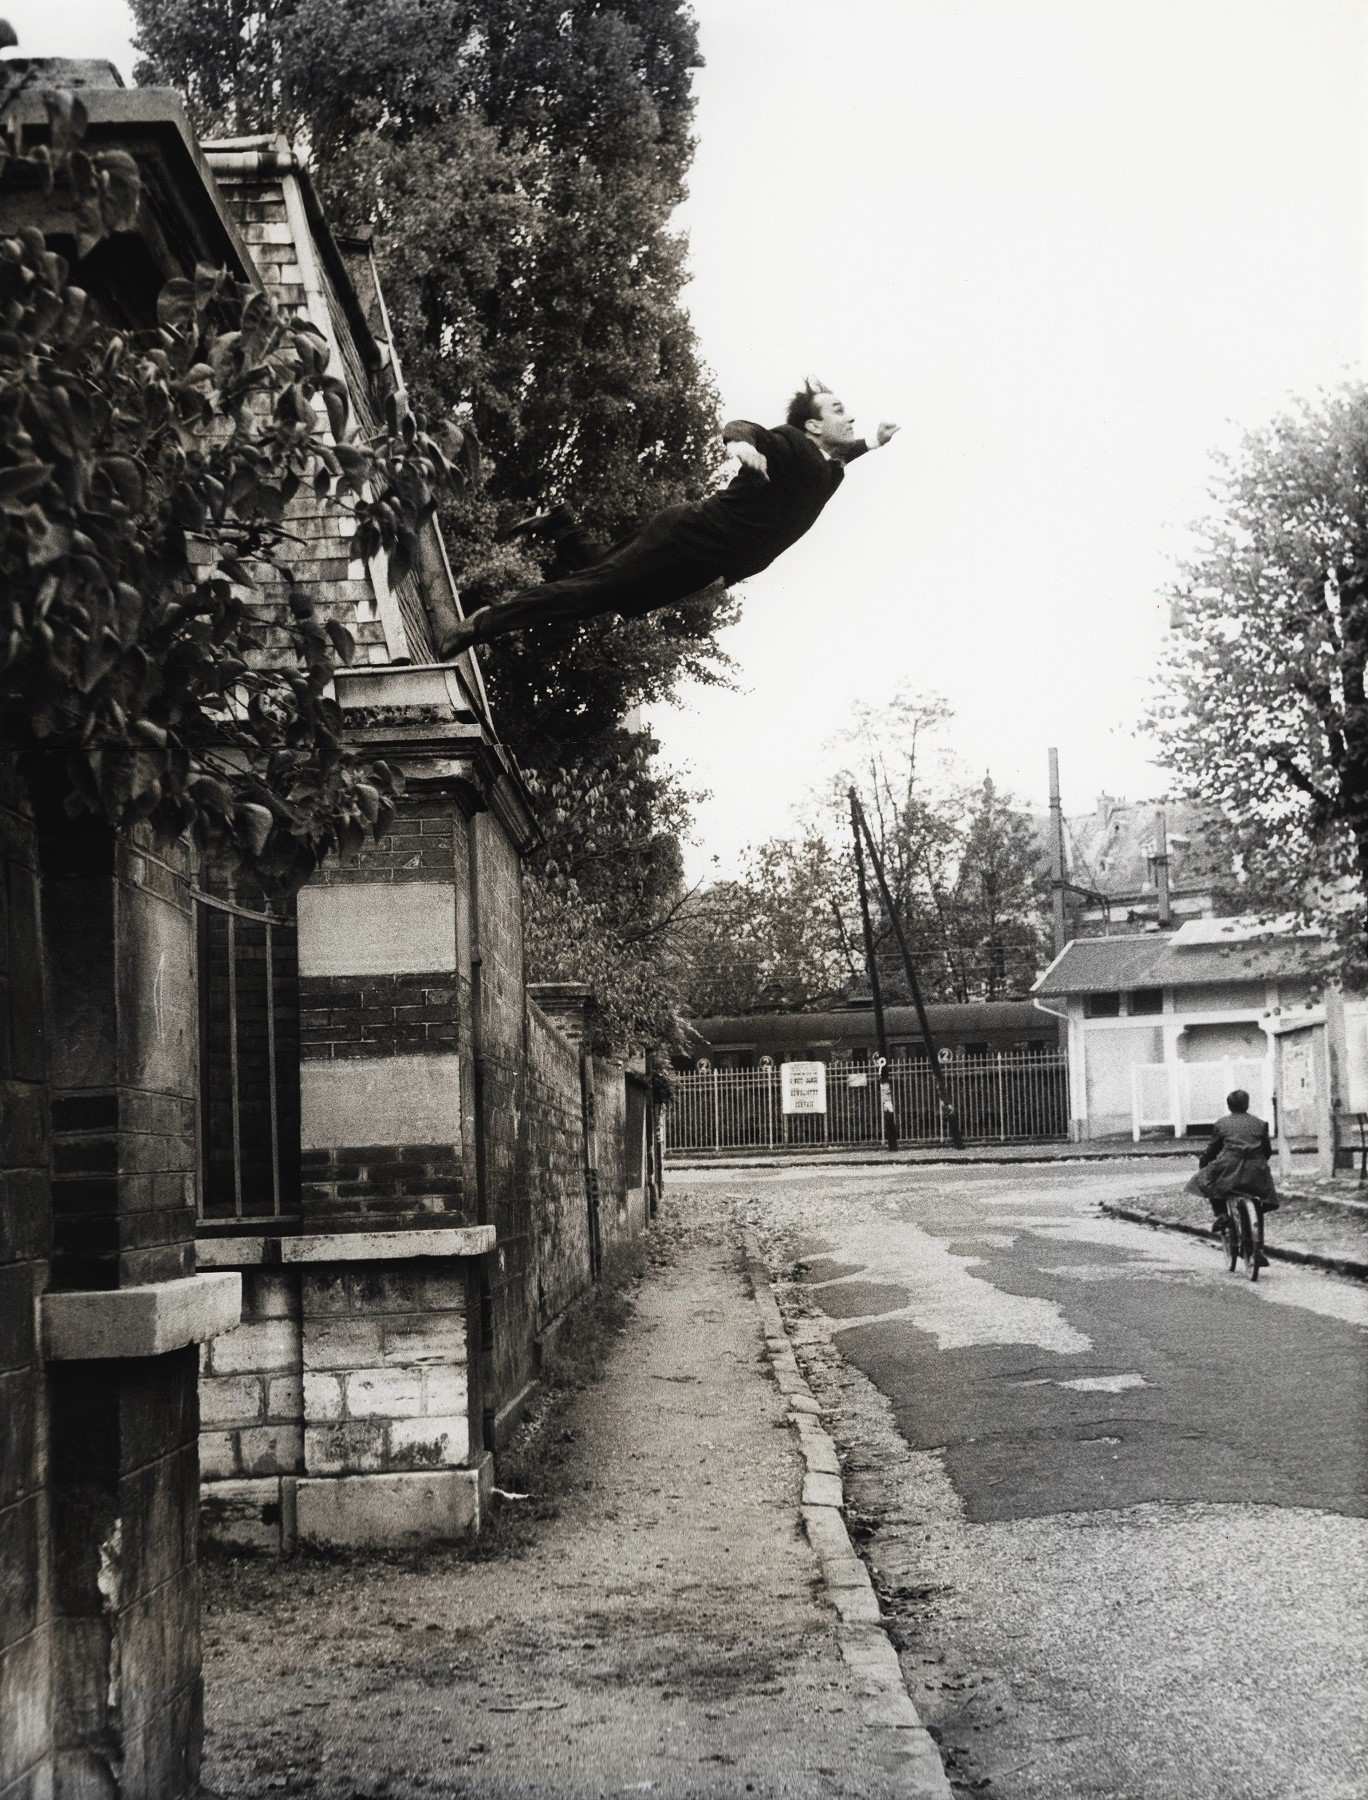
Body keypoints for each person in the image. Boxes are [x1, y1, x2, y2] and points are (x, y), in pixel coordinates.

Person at [437, 378, 900, 657]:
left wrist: (874, 443)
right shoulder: (793, 445)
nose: (851, 417)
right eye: (839, 411)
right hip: (688, 539)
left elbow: (838, 460)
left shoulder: (828, 469)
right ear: (814, 426)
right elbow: (750, 429)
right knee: (592, 593)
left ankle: (560, 524)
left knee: (603, 586)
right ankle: (481, 624)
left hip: (702, 563)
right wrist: (739, 444)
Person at [1187, 1088, 1280, 1252]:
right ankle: (1259, 1248)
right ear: (1247, 1104)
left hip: (1230, 1168)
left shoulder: (1221, 1124)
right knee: (1258, 1205)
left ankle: (1221, 1214)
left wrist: (1204, 1164)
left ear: (1229, 1106)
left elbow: (1212, 1150)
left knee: (1208, 1181)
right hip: (1256, 1170)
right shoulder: (1260, 1124)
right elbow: (1266, 1151)